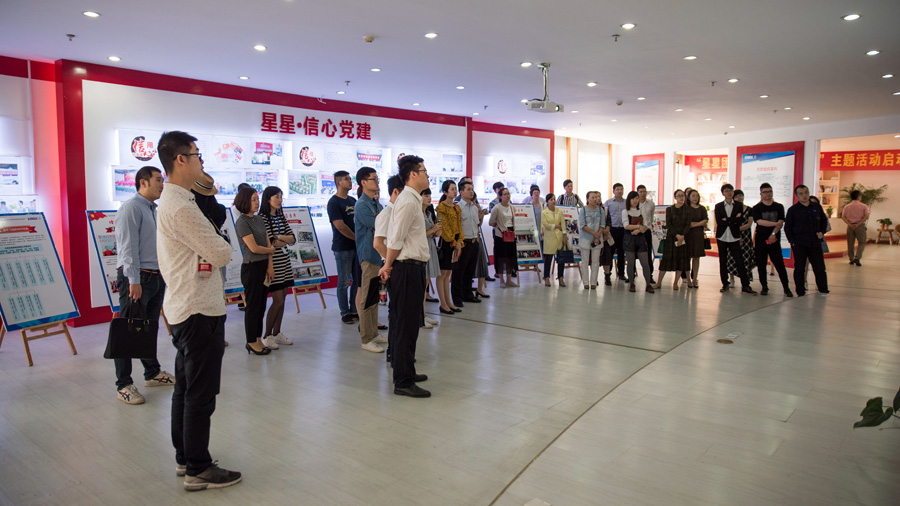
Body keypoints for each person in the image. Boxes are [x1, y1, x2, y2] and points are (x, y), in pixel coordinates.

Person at [156, 131, 240, 490]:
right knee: (200, 394)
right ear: (181, 160)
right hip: (197, 310)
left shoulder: (177, 201)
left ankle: (185, 457)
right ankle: (199, 468)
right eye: (197, 154)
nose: (201, 161)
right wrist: (220, 243)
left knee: (187, 388)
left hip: (186, 306)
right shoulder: (181, 206)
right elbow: (221, 253)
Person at [113, 165, 174, 405]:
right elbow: (127, 247)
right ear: (143, 182)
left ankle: (152, 372)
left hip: (156, 276)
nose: (162, 185)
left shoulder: (153, 209)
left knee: (149, 328)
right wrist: (133, 280)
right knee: (127, 332)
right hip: (137, 278)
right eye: (158, 180)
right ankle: (123, 385)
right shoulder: (130, 208)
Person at [379, 155, 432, 398]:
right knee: (404, 325)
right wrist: (388, 265)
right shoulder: (408, 201)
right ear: (413, 174)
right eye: (424, 171)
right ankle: (402, 380)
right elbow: (396, 239)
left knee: (410, 324)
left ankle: (407, 371)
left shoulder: (412, 199)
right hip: (406, 269)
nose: (427, 175)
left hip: (413, 268)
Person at [234, 186, 275, 355]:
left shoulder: (259, 219)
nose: (257, 202)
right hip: (251, 267)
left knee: (261, 306)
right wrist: (270, 250)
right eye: (253, 200)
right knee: (252, 307)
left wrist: (270, 265)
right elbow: (254, 248)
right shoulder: (242, 222)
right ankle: (251, 341)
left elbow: (267, 243)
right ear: (244, 202)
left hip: (264, 265)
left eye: (257, 199)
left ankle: (258, 338)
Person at [354, 167, 389, 352]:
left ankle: (374, 333)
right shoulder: (361, 205)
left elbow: (384, 223)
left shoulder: (376, 204)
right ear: (363, 182)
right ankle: (366, 338)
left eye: (377, 178)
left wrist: (379, 219)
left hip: (379, 255)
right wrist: (379, 220)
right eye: (373, 179)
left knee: (375, 296)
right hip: (368, 255)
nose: (377, 182)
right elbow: (377, 224)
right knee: (367, 298)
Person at [258, 186, 295, 349]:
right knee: (277, 300)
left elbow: (292, 238)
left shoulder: (280, 216)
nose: (280, 200)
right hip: (272, 263)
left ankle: (277, 332)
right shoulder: (262, 218)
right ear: (268, 199)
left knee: (283, 299)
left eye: (281, 197)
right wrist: (279, 240)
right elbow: (270, 242)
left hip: (284, 261)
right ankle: (267, 335)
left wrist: (280, 237)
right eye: (276, 197)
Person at [327, 170, 360, 324]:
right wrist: (356, 238)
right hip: (343, 247)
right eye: (347, 179)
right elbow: (340, 226)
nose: (350, 181)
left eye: (350, 178)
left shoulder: (353, 200)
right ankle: (344, 312)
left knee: (357, 280)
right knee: (344, 281)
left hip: (356, 247)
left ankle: (354, 308)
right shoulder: (333, 202)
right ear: (338, 182)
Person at [785, 185, 829, 296]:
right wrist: (792, 242)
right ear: (796, 196)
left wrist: (822, 232)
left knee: (819, 268)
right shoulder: (793, 210)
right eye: (801, 193)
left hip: (815, 242)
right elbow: (787, 227)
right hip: (799, 243)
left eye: (806, 192)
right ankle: (800, 291)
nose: (804, 195)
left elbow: (824, 221)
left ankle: (823, 289)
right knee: (800, 268)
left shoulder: (816, 207)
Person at [751, 183, 793, 297]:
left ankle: (786, 288)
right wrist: (775, 223)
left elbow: (781, 222)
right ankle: (764, 287)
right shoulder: (756, 208)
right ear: (761, 194)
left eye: (770, 191)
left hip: (774, 240)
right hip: (761, 240)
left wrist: (773, 233)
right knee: (761, 265)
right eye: (765, 192)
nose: (768, 194)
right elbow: (760, 222)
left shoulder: (779, 206)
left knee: (780, 265)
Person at [714, 184, 756, 295]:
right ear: (723, 193)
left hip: (734, 237)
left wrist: (727, 219)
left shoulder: (738, 205)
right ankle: (725, 283)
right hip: (722, 237)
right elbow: (719, 222)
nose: (729, 193)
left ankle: (745, 285)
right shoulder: (718, 206)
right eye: (726, 191)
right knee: (723, 261)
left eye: (731, 190)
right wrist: (732, 220)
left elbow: (740, 220)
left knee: (739, 261)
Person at [654, 189, 691, 290]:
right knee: (666, 260)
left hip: (683, 238)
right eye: (679, 196)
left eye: (682, 195)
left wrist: (682, 235)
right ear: (675, 197)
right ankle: (659, 282)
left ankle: (675, 283)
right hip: (671, 238)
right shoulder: (670, 209)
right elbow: (669, 224)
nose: (681, 198)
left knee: (680, 261)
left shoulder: (687, 209)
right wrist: (677, 235)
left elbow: (688, 224)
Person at [435, 180, 462, 313]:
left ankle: (448, 302)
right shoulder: (441, 207)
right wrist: (453, 241)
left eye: (455, 189)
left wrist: (460, 241)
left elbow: (459, 226)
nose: (455, 191)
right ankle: (443, 303)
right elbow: (443, 227)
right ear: (445, 192)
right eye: (452, 189)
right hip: (446, 242)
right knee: (442, 274)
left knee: (448, 273)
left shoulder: (456, 208)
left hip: (455, 242)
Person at [623, 190, 654, 293]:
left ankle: (648, 284)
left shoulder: (641, 211)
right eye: (633, 199)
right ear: (629, 200)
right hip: (629, 239)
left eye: (636, 198)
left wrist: (639, 230)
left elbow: (646, 225)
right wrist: (638, 227)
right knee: (630, 262)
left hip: (640, 238)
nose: (635, 201)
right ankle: (632, 283)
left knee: (645, 262)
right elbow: (626, 226)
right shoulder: (625, 211)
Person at [457, 180, 482, 304]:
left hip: (473, 242)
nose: (471, 192)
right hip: (463, 243)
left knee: (470, 271)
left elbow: (477, 225)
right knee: (460, 272)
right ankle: (458, 297)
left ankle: (468, 294)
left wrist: (476, 240)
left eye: (472, 189)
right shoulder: (458, 208)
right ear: (461, 192)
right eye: (468, 189)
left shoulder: (474, 208)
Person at [420, 188, 442, 329]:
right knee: (421, 286)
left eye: (430, 195)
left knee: (426, 284)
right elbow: (417, 234)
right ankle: (420, 316)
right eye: (426, 195)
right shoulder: (417, 214)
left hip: (430, 247)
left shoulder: (428, 213)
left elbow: (429, 234)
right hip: (422, 249)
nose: (429, 198)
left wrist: (436, 232)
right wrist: (432, 230)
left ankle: (423, 315)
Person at [578, 191, 608, 289]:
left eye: (596, 197)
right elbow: (582, 225)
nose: (595, 199)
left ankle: (594, 282)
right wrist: (594, 234)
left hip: (597, 239)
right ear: (587, 199)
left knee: (595, 261)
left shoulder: (600, 210)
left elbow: (602, 224)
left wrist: (598, 235)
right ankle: (585, 282)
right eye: (593, 197)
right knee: (585, 261)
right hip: (585, 238)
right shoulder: (583, 210)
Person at [726, 189, 756, 287]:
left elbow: (749, 224)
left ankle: (745, 280)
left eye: (741, 195)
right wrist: (736, 232)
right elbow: (729, 222)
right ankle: (731, 279)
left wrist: (737, 229)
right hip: (733, 236)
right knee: (731, 258)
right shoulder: (731, 209)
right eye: (737, 196)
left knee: (745, 259)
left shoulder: (749, 209)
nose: (739, 198)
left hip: (746, 237)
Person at [489, 187, 518, 287]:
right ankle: (501, 280)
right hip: (500, 236)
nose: (507, 196)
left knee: (510, 257)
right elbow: (491, 222)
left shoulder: (512, 207)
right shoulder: (497, 208)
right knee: (501, 258)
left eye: (508, 194)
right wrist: (499, 226)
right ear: (500, 196)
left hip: (511, 235)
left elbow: (513, 220)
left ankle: (509, 280)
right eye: (505, 194)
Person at [541, 193, 567, 287]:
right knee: (548, 259)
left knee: (561, 259)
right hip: (549, 238)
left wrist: (564, 235)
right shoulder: (544, 212)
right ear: (547, 202)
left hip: (559, 237)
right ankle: (546, 277)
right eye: (551, 200)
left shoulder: (559, 211)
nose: (553, 201)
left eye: (554, 199)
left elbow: (563, 224)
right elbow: (546, 225)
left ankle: (561, 277)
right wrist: (556, 226)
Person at [604, 183, 628, 281]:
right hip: (612, 230)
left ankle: (621, 274)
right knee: (610, 252)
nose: (619, 191)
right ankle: (608, 274)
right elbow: (605, 217)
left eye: (621, 189)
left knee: (621, 252)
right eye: (617, 189)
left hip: (623, 230)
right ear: (613, 191)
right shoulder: (608, 203)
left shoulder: (626, 202)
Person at [685, 189, 708, 288]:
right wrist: (699, 223)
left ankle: (695, 278)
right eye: (693, 196)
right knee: (688, 257)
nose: (695, 198)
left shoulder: (702, 208)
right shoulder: (686, 208)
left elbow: (705, 221)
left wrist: (694, 224)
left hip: (699, 235)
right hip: (688, 235)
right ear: (689, 197)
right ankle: (688, 279)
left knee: (696, 257)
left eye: (697, 196)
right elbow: (686, 223)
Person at [841, 189, 869, 266]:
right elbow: (866, 216)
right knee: (862, 242)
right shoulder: (864, 206)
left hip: (850, 226)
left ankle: (851, 258)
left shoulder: (847, 206)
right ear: (859, 196)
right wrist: (858, 224)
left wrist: (850, 224)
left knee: (850, 243)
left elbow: (843, 217)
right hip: (860, 226)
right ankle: (857, 258)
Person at [636, 185, 657, 284]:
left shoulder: (651, 204)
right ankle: (632, 274)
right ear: (637, 192)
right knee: (633, 253)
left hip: (647, 231)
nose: (643, 193)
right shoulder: (634, 203)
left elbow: (651, 218)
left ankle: (650, 275)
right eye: (640, 192)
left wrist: (646, 227)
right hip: (636, 231)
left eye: (644, 191)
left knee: (648, 253)